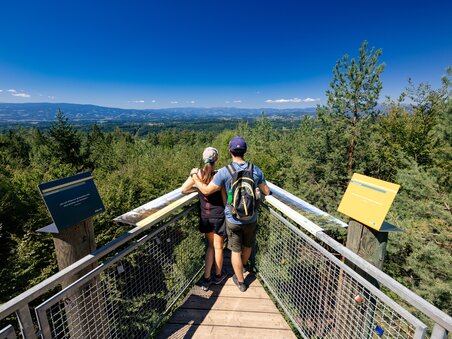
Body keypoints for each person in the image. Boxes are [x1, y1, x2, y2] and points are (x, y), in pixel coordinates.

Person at [190, 136, 270, 292]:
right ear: (245, 151)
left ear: (230, 152)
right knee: (248, 245)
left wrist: (194, 176)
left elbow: (206, 190)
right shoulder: (255, 169)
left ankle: (240, 282)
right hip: (251, 217)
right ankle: (244, 265)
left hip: (232, 218)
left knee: (235, 250)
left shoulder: (225, 172)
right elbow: (266, 191)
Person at [181, 147, 228, 291]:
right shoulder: (219, 175)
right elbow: (225, 199)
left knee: (210, 246)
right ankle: (218, 276)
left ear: (203, 159)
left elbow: (183, 189)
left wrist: (197, 186)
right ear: (217, 159)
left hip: (205, 216)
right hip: (218, 215)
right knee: (219, 247)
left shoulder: (198, 174)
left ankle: (206, 278)